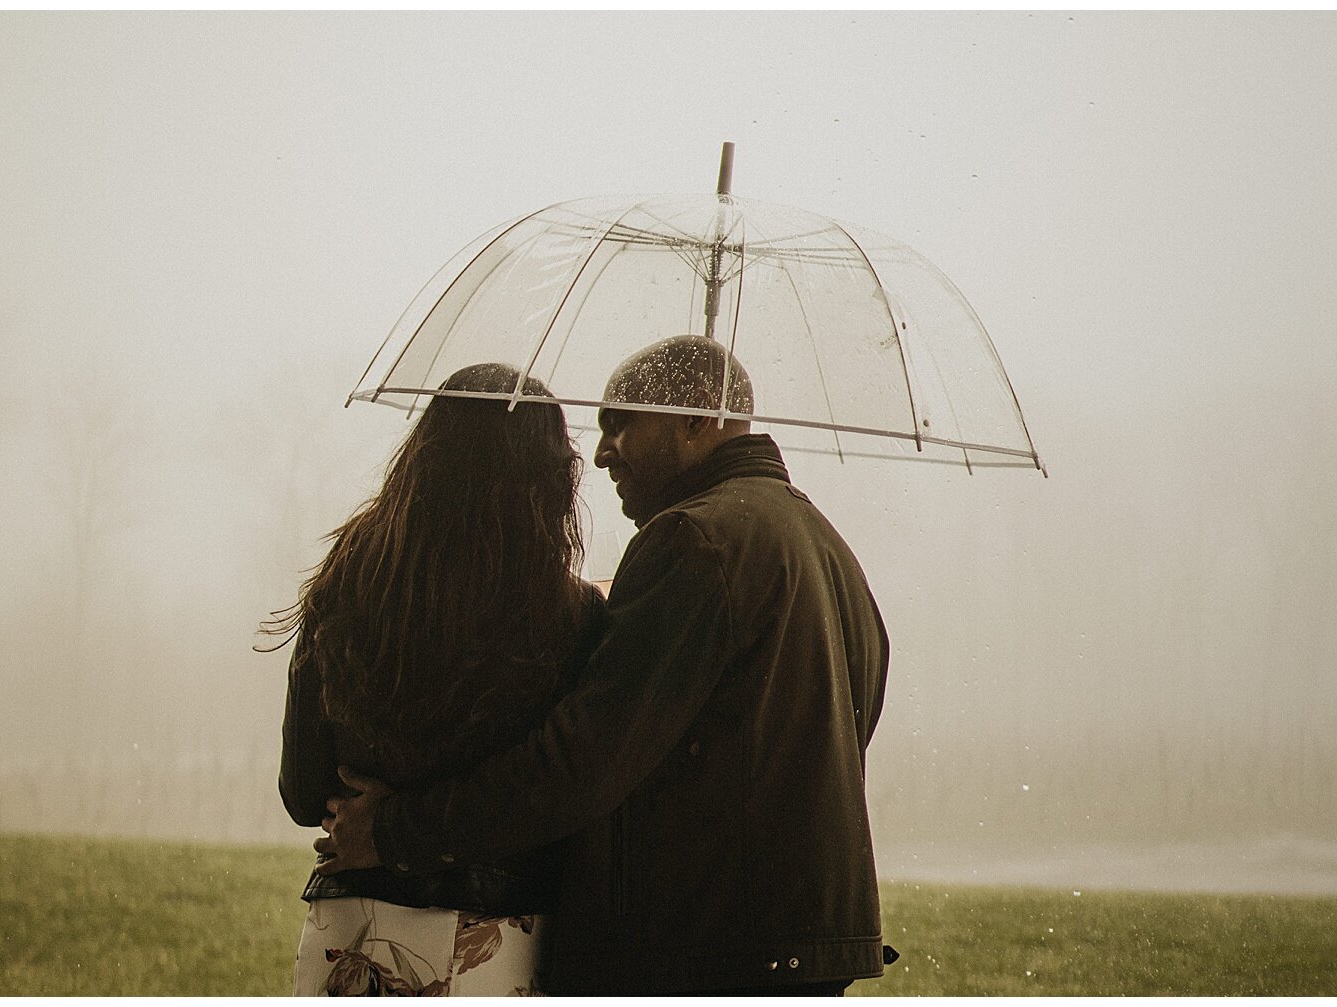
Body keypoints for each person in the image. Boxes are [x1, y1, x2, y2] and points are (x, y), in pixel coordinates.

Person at [317, 335, 890, 995]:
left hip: (704, 949)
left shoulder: (694, 540)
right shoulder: (826, 546)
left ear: (700, 416)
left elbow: (579, 763)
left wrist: (394, 829)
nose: (600, 450)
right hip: (800, 947)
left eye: (622, 421)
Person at [267, 362, 607, 996]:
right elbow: (561, 790)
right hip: (494, 935)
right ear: (545, 482)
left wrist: (372, 818)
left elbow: (302, 790)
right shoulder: (568, 618)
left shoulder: (344, 589)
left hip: (349, 928)